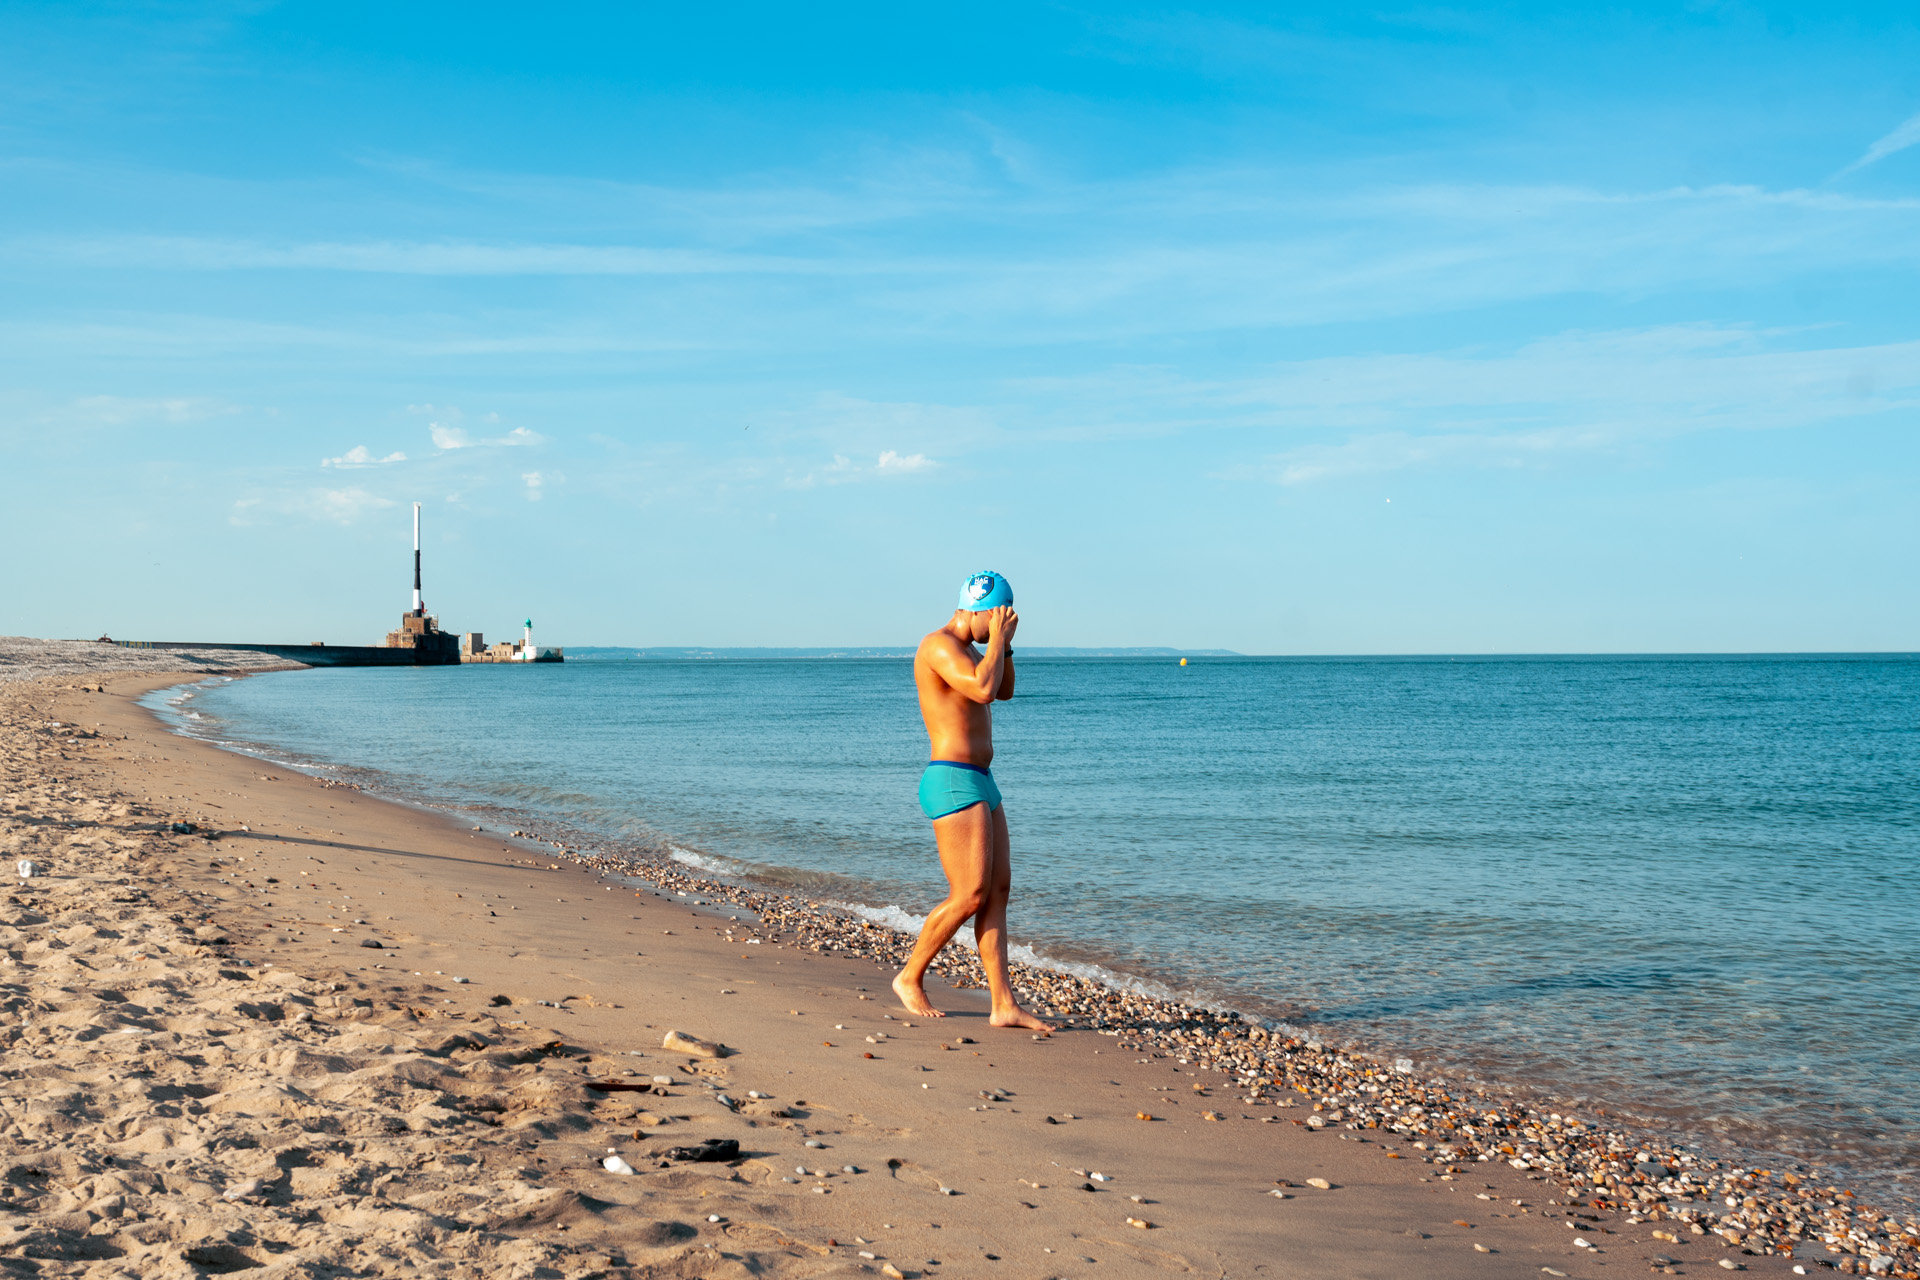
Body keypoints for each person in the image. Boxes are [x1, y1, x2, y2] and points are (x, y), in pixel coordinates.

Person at [891, 571, 1055, 1032]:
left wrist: (1005, 645)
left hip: (982, 779)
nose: (1004, 623)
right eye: (1000, 616)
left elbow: (1003, 689)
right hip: (952, 779)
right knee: (969, 894)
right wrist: (997, 642)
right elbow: (982, 688)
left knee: (998, 891)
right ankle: (909, 976)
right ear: (977, 609)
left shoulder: (974, 651)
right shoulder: (938, 645)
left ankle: (1003, 1004)